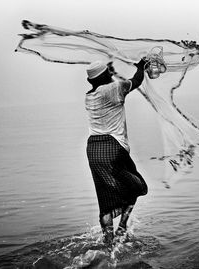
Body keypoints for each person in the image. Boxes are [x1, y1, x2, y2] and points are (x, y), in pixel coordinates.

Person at [85, 59, 149, 246]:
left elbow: (105, 83)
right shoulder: (115, 88)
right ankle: (122, 228)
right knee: (136, 186)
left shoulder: (89, 95)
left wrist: (109, 72)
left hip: (93, 150)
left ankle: (108, 242)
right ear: (106, 76)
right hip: (113, 148)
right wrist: (140, 67)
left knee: (105, 199)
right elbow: (136, 81)